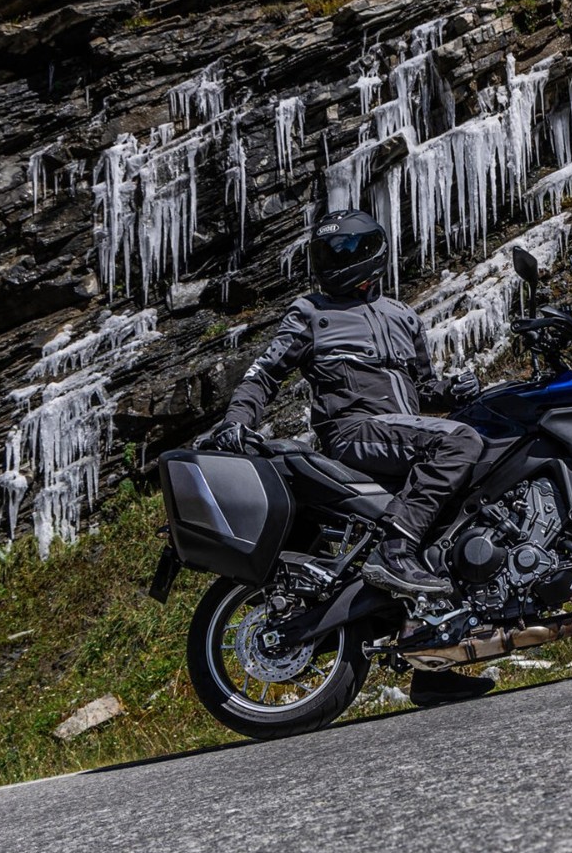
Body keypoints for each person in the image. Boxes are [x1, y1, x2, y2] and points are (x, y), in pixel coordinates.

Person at [206, 208, 492, 706]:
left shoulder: (403, 316)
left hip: (401, 437)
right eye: (324, 252)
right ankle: (395, 550)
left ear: (370, 254)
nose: (331, 260)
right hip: (355, 433)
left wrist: (453, 391)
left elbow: (423, 389)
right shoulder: (310, 313)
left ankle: (432, 664)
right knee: (460, 442)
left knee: (457, 516)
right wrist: (236, 421)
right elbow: (264, 373)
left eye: (341, 250)